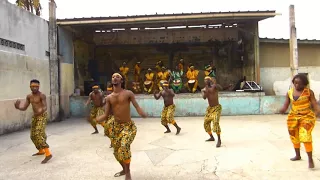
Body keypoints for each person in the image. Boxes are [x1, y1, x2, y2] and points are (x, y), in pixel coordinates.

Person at [96, 73, 147, 180]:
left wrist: (141, 112)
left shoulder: (128, 93)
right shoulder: (109, 97)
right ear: (112, 81)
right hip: (116, 127)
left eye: (117, 76)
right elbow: (106, 114)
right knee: (117, 153)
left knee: (124, 147)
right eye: (113, 76)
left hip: (128, 126)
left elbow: (136, 106)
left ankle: (128, 173)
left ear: (122, 81)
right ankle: (124, 169)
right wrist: (96, 119)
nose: (115, 77)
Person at [279, 74, 320, 169]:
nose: (297, 85)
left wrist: (317, 111)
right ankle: (297, 155)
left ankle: (310, 159)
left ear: (305, 84)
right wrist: (282, 109)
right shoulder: (289, 92)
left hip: (307, 117)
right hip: (293, 117)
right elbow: (286, 104)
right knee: (294, 136)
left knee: (305, 136)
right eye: (295, 83)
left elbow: (314, 103)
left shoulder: (309, 92)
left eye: (300, 84)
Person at [14, 79, 52, 164]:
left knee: (38, 134)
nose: (34, 88)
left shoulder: (42, 95)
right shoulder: (29, 96)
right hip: (35, 116)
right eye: (32, 86)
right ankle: (41, 150)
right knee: (32, 136)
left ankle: (48, 154)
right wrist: (18, 107)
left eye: (36, 86)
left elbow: (45, 107)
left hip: (42, 116)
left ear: (39, 86)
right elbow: (24, 107)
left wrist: (40, 110)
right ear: (30, 86)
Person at [201, 76, 223, 148]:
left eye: (206, 80)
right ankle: (211, 137)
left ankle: (219, 140)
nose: (205, 81)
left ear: (209, 81)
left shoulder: (214, 87)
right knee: (206, 123)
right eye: (204, 80)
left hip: (216, 108)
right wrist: (203, 92)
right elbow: (204, 98)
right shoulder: (205, 89)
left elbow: (221, 88)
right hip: (209, 109)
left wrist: (215, 84)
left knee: (215, 123)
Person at [104, 83, 114, 148]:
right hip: (108, 116)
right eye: (108, 91)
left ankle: (112, 143)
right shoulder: (106, 98)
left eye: (110, 91)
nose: (109, 92)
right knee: (107, 131)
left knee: (112, 130)